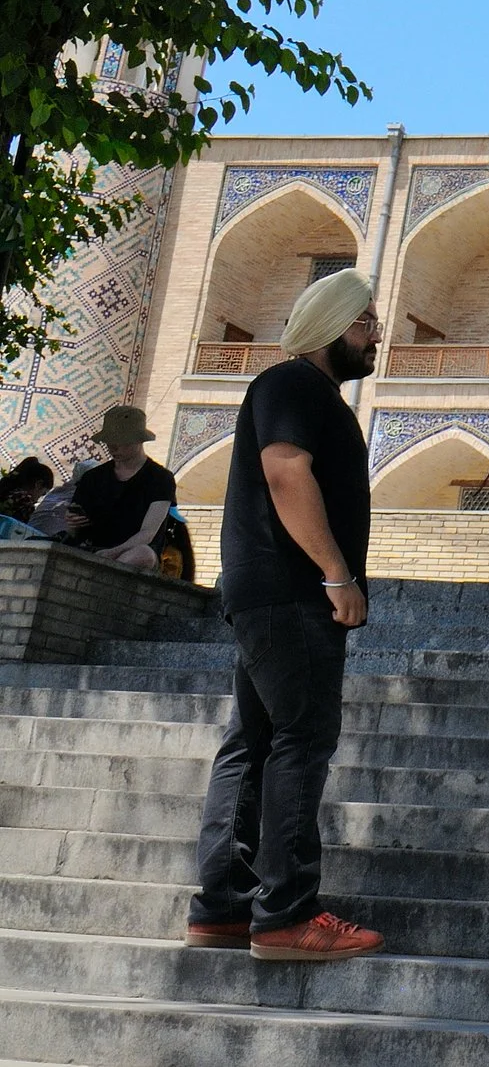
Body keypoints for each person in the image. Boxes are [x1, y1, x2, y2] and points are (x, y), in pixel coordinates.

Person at [187, 268, 385, 961]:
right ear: (334, 325)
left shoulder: (300, 389)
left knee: (254, 743)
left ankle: (225, 906)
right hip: (293, 594)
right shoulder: (295, 383)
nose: (376, 335)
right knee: (301, 740)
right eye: (366, 322)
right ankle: (287, 915)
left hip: (269, 592)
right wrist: (337, 575)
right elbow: (285, 471)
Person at [62, 406, 177, 570]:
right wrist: (73, 522)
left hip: (132, 553)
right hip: (92, 549)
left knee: (143, 554)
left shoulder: (160, 478)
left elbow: (148, 533)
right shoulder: (92, 477)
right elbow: (74, 533)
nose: (113, 448)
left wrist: (113, 553)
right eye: (109, 442)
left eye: (121, 442)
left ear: (138, 440)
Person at [0, 458, 55, 541]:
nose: (37, 500)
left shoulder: (7, 492)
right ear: (38, 484)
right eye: (42, 494)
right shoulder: (24, 499)